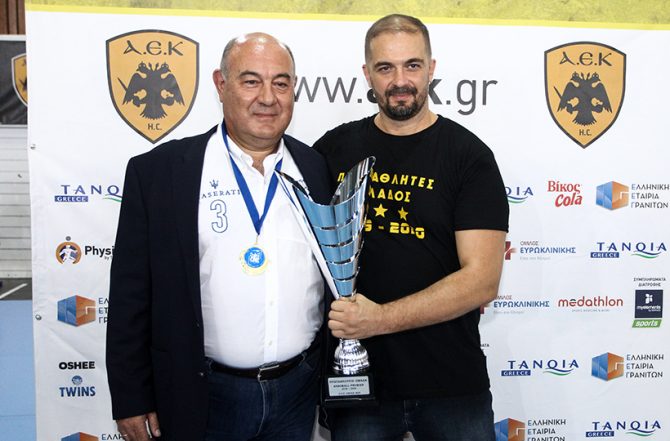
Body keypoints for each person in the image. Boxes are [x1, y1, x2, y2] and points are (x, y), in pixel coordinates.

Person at [106, 33, 332, 441]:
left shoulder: (316, 169)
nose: (268, 98)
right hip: (202, 396)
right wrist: (130, 397)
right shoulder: (160, 173)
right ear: (220, 84)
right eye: (251, 81)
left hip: (298, 393)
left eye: (281, 83)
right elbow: (129, 295)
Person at [313, 14, 509, 441]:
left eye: (412, 66)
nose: (400, 81)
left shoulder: (469, 157)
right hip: (358, 383)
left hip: (451, 385)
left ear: (431, 68)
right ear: (367, 73)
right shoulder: (333, 150)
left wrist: (378, 319)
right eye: (385, 68)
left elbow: (482, 281)